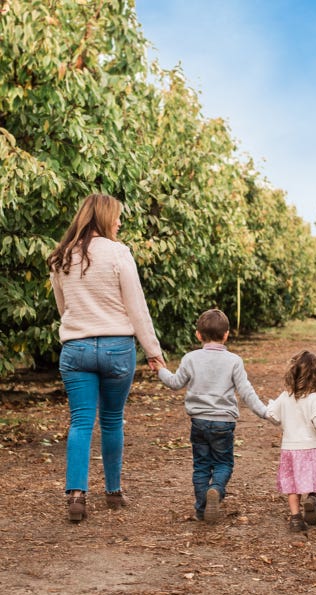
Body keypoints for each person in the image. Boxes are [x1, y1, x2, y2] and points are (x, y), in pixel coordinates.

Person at [48, 193, 165, 522]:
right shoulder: (118, 253)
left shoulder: (61, 257)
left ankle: (76, 495)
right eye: (116, 216)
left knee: (81, 422)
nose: (120, 222)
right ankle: (113, 492)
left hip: (76, 348)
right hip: (117, 349)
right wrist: (153, 352)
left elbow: (63, 308)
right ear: (102, 217)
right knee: (112, 420)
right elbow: (136, 307)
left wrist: (81, 322)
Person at [156, 308, 268, 524]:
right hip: (223, 423)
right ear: (227, 334)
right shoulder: (234, 361)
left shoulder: (190, 358)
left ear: (198, 334)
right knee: (224, 463)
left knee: (201, 465)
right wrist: (264, 412)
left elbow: (175, 383)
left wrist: (160, 369)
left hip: (198, 422)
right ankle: (216, 488)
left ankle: (201, 509)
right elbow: (246, 391)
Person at [266, 350, 316, 532]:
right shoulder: (314, 399)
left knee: (292, 485)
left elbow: (272, 415)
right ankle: (312, 499)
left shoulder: (284, 397)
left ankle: (295, 518)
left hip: (290, 450)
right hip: (311, 448)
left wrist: (273, 408)